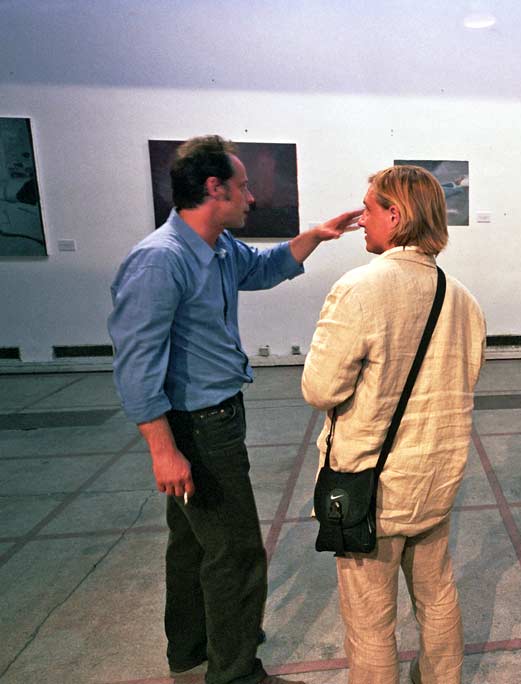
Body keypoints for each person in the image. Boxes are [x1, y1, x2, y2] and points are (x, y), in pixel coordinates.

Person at [108, 134, 360, 684]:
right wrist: (163, 449)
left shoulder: (218, 248)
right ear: (213, 188)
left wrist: (315, 236)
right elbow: (136, 364)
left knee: (193, 545)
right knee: (237, 553)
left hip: (217, 415)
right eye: (243, 187)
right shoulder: (160, 261)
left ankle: (193, 648)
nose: (251, 197)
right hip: (196, 426)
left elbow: (264, 269)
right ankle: (236, 673)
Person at [302, 165, 486, 684]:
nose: (361, 219)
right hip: (435, 480)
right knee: (437, 595)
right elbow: (466, 376)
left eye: (368, 208)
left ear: (396, 214)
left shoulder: (358, 290)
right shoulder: (463, 299)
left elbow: (320, 390)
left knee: (370, 623)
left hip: (371, 489)